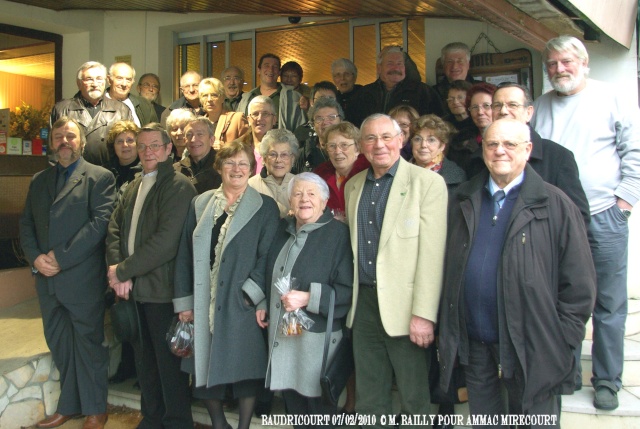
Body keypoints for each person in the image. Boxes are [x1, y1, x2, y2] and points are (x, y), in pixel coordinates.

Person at [438, 119, 596, 427]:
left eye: (510, 145)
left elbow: (580, 285)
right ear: (482, 148)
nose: (500, 152)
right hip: (477, 348)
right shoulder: (463, 199)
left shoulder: (555, 204)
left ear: (528, 150)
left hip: (534, 348)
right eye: (492, 144)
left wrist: (561, 339)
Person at [531, 35, 640, 410]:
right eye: (552, 64)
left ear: (583, 62)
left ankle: (607, 380)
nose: (559, 69)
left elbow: (636, 150)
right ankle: (568, 371)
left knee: (608, 303)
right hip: (557, 221)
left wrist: (624, 203)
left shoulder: (610, 97)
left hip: (602, 215)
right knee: (564, 298)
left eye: (566, 62)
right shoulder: (540, 106)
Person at [344, 113, 448, 425]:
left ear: (400, 141)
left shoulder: (427, 183)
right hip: (362, 304)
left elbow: (433, 256)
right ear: (362, 146)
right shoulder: (352, 187)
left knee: (414, 396)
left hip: (407, 308)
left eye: (387, 137)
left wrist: (424, 315)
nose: (380, 145)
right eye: (371, 139)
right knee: (369, 395)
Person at [173, 140, 279, 429]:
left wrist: (251, 296)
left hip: (241, 300)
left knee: (246, 369)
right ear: (219, 167)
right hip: (203, 299)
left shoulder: (265, 206)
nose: (236, 169)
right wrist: (184, 303)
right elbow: (184, 253)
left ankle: (243, 426)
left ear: (252, 168)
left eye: (243, 163)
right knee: (204, 365)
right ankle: (219, 423)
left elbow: (268, 256)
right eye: (229, 163)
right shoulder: (201, 202)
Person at [20, 117, 115, 429]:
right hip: (46, 281)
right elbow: (27, 224)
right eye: (58, 136)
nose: (64, 141)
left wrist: (60, 257)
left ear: (82, 142)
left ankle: (95, 409)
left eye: (70, 135)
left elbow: (99, 224)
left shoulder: (100, 177)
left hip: (81, 279)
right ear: (52, 142)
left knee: (89, 346)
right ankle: (69, 406)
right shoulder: (39, 180)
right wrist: (36, 258)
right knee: (60, 345)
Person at [106, 123, 197, 428]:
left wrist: (122, 270)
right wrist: (119, 272)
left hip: (161, 292)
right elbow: (115, 229)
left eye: (155, 145)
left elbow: (165, 243)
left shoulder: (179, 186)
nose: (148, 152)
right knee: (144, 364)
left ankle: (176, 421)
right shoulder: (133, 184)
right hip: (133, 291)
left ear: (169, 149)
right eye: (142, 146)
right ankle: (152, 417)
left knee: (168, 366)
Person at [262, 172, 354, 424]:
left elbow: (347, 290)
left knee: (318, 411)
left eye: (312, 194)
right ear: (290, 201)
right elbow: (266, 270)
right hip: (284, 336)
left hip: (316, 342)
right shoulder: (282, 231)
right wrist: (261, 303)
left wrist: (307, 297)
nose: (304, 199)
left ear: (324, 202)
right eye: (298, 194)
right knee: (294, 408)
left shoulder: (338, 235)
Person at [492, 82, 590, 226]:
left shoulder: (557, 157)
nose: (504, 111)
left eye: (512, 105)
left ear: (529, 112)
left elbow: (577, 218)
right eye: (497, 105)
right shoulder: (482, 157)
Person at [50, 61, 132, 167]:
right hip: (72, 172)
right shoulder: (62, 109)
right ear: (79, 83)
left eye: (99, 79)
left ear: (105, 81)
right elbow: (52, 150)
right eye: (89, 79)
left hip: (111, 174)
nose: (94, 84)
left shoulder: (121, 110)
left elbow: (129, 147)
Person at [347, 46, 443, 127]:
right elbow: (352, 127)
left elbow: (438, 124)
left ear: (405, 68)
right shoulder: (363, 94)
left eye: (399, 64)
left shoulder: (423, 92)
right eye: (390, 64)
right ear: (379, 68)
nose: (396, 68)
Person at [237, 53, 306, 133]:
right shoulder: (246, 98)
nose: (270, 70)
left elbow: (301, 128)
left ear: (279, 72)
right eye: (266, 65)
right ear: (259, 70)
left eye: (275, 67)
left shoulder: (293, 97)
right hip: (250, 145)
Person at [314, 121, 370, 217]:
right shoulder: (319, 176)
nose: (337, 151)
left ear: (357, 148)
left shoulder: (369, 173)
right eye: (332, 146)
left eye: (344, 145)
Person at [447, 82, 496, 178]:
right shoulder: (459, 141)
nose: (480, 112)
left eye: (486, 106)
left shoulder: (512, 139)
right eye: (474, 107)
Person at [410, 114, 466, 196]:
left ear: (442, 146)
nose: (423, 145)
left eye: (431, 140)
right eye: (418, 139)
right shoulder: (399, 171)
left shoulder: (457, 177)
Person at [248, 128, 298, 217]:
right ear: (264, 158)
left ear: (292, 159)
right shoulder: (249, 187)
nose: (278, 160)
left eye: (284, 155)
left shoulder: (302, 185)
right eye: (273, 154)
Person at [174, 117, 222, 194]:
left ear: (211, 140)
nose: (193, 140)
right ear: (184, 140)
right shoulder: (176, 170)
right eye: (189, 135)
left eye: (200, 134)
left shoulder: (224, 168)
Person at [295, 97, 343, 173]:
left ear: (341, 120)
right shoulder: (304, 153)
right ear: (313, 124)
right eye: (319, 118)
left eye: (331, 117)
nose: (325, 122)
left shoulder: (352, 149)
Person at [198, 77, 248, 149]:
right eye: (205, 95)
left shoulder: (237, 118)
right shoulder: (199, 124)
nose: (209, 99)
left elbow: (248, 147)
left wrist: (225, 147)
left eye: (214, 95)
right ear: (201, 100)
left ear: (222, 98)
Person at [106, 62, 158, 127]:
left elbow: (154, 132)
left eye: (128, 79)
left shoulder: (144, 104)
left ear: (133, 82)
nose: (124, 84)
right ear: (109, 80)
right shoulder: (98, 104)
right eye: (119, 78)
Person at [238, 95, 278, 176]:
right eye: (255, 114)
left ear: (274, 120)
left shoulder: (283, 150)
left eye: (265, 114)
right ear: (248, 120)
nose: (260, 118)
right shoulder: (238, 148)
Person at [435, 42, 477, 113]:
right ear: (443, 66)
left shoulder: (481, 89)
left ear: (468, 65)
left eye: (460, 61)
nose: (455, 66)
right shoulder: (433, 93)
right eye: (449, 61)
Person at [106, 120, 140, 190]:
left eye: (130, 140)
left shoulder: (146, 171)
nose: (125, 145)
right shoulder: (105, 173)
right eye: (120, 141)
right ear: (113, 146)